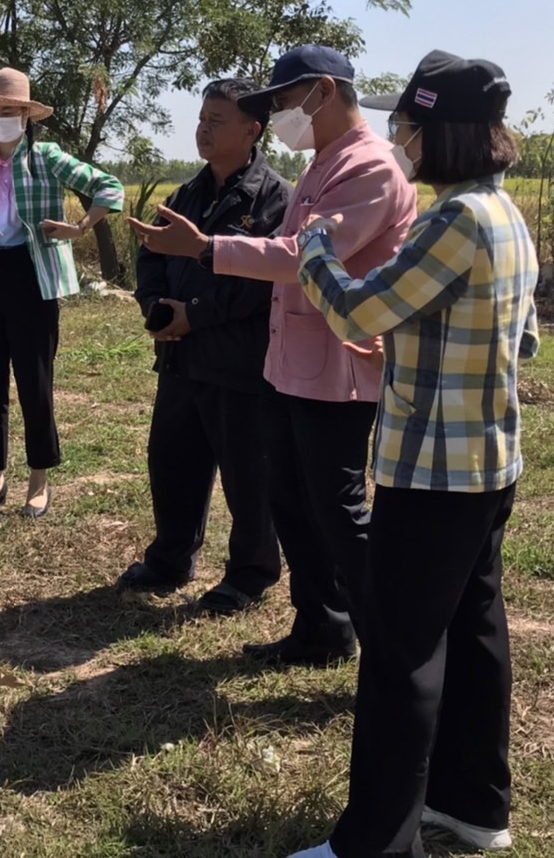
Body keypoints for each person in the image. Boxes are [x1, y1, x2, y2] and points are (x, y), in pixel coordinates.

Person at [285, 51, 539, 858]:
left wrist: (314, 248)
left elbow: (357, 305)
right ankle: (474, 806)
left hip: (431, 471)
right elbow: (519, 337)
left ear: (438, 132)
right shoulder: (506, 215)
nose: (403, 138)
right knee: (473, 631)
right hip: (488, 461)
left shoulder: (454, 219)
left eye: (411, 125)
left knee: (400, 652)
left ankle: (374, 841)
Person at [129, 45, 417, 666]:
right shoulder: (322, 166)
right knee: (292, 502)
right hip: (289, 365)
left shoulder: (369, 169)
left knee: (338, 511)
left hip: (337, 371)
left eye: (285, 101)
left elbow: (302, 258)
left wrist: (208, 248)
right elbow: (288, 249)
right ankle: (321, 628)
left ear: (323, 92)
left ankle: (397, 646)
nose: (283, 114)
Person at [118, 79, 291, 614]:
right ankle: (171, 558)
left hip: (239, 362)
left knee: (248, 475)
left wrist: (197, 316)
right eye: (201, 117)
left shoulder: (274, 199)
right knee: (172, 462)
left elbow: (262, 281)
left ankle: (250, 574)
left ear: (252, 130)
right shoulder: (186, 194)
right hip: (180, 357)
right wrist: (157, 308)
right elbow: (150, 254)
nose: (204, 128)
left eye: (218, 120)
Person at [0, 67, 124, 519]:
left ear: (26, 116)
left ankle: (39, 479)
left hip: (33, 276)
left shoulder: (46, 156)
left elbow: (109, 187)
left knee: (34, 381)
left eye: (8, 110)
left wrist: (80, 227)